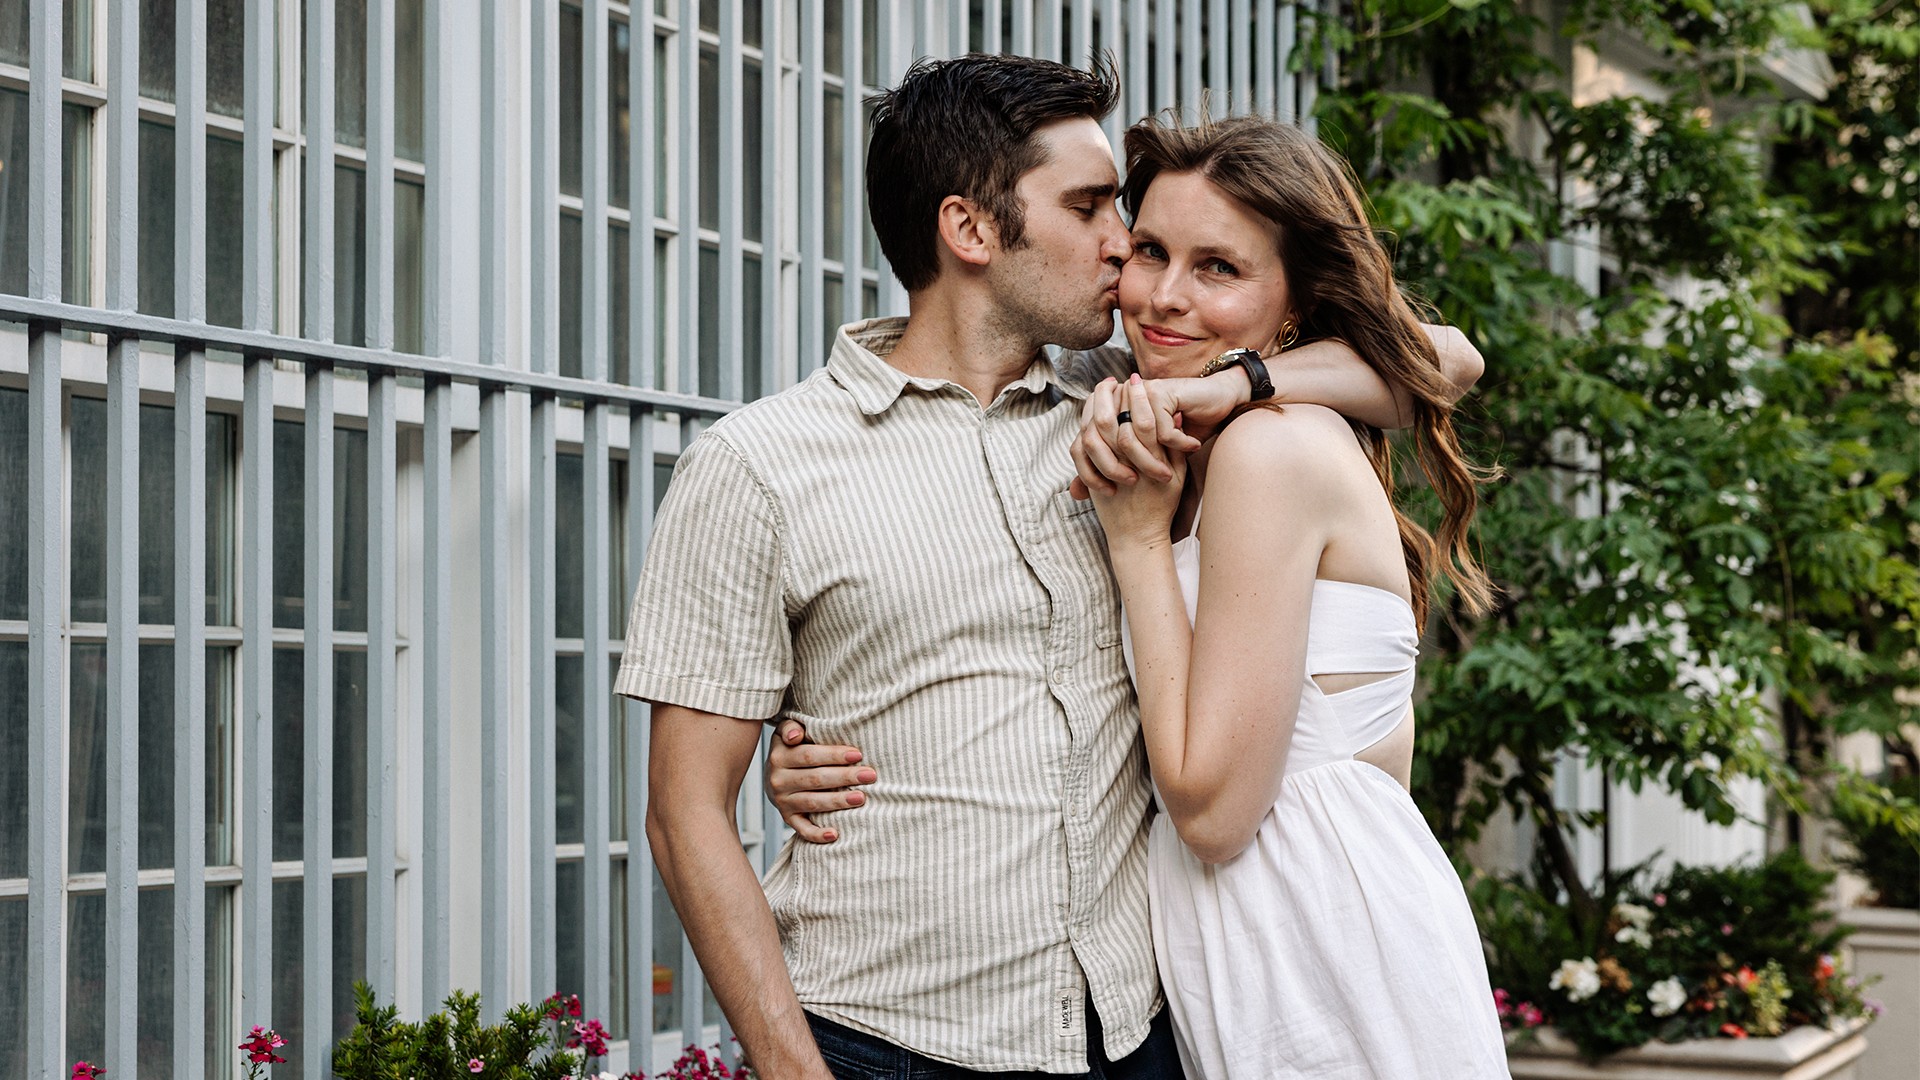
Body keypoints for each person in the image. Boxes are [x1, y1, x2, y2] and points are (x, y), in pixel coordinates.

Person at [624, 55, 1482, 1080]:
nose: (1126, 248)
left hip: (1138, 1030)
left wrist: (1229, 388)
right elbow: (684, 814)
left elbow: (1444, 358)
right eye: (1091, 207)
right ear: (972, 230)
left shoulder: (1133, 407)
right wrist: (791, 1066)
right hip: (886, 1043)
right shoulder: (758, 468)